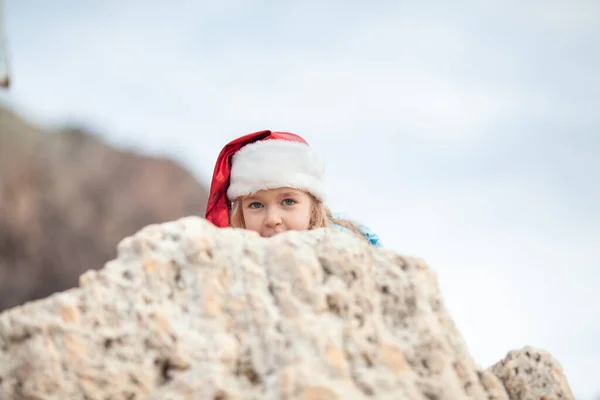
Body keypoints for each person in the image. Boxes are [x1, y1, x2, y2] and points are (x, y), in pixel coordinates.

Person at [204, 130, 382, 247]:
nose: (272, 220)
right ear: (240, 215)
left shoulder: (349, 248)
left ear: (313, 209)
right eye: (256, 205)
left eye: (288, 201)